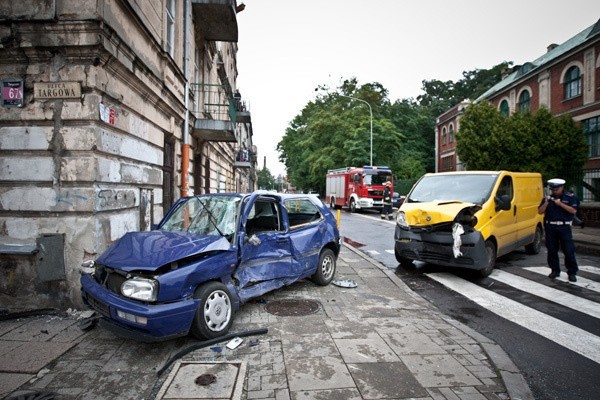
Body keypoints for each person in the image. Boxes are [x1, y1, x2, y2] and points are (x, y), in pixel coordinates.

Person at [537, 178, 580, 282]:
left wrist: (560, 204)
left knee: (568, 250)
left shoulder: (570, 197)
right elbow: (539, 211)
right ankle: (555, 270)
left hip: (564, 227)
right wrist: (546, 203)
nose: (554, 191)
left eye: (556, 189)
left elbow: (573, 211)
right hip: (550, 227)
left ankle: (572, 272)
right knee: (552, 250)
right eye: (553, 189)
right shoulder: (548, 198)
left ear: (562, 187)